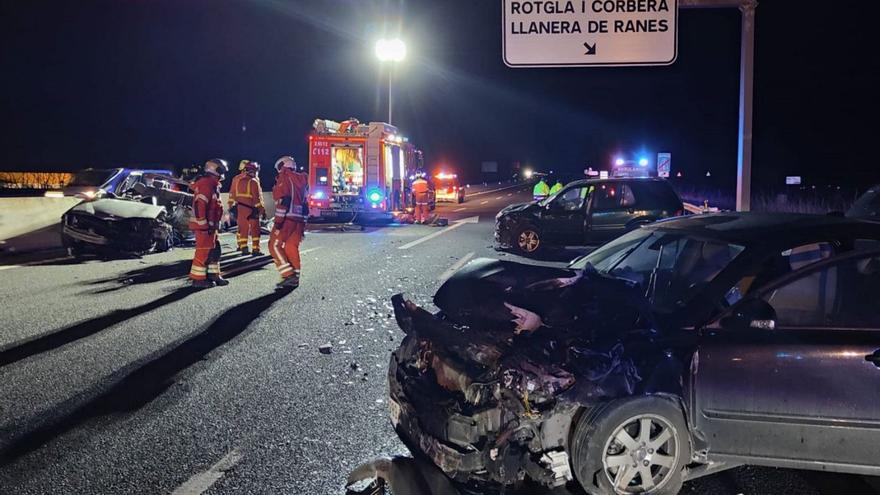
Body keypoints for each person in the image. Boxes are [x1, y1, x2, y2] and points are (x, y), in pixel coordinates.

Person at [269, 155, 309, 290]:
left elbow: (283, 201)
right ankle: (295, 277)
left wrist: (278, 223)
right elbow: (305, 205)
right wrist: (303, 224)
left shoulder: (284, 178)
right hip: (298, 220)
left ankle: (288, 274)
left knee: (274, 246)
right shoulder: (302, 180)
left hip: (286, 219)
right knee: (291, 247)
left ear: (282, 167)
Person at [189, 159, 228, 288]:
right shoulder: (206, 184)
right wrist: (203, 224)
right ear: (215, 170)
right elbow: (200, 205)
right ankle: (198, 279)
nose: (222, 173)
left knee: (215, 251)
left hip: (211, 226)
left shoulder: (212, 184)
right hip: (204, 227)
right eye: (221, 170)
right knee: (203, 252)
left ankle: (214, 275)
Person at [228, 160, 264, 256]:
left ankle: (243, 247)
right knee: (255, 229)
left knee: (242, 229)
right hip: (252, 209)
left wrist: (231, 206)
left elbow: (233, 194)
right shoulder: (253, 181)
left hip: (240, 208)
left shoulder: (238, 180)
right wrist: (262, 209)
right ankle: (256, 249)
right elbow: (257, 198)